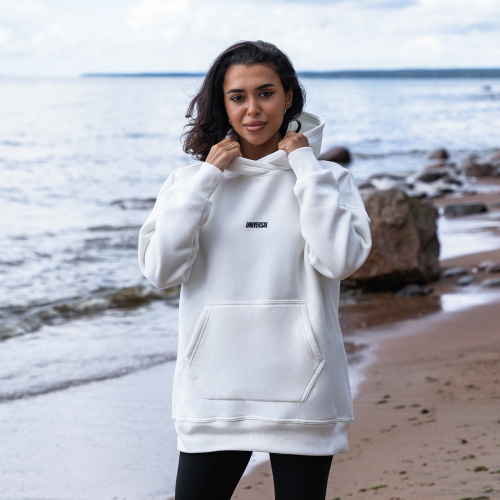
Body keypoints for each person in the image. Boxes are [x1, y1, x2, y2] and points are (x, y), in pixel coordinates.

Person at [138, 40, 372, 500]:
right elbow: (162, 270)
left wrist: (305, 165)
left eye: (265, 93)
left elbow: (340, 260)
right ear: (222, 104)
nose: (253, 109)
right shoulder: (187, 184)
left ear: (288, 97)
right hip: (213, 396)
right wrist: (207, 178)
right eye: (238, 97)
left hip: (305, 393)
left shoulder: (329, 180)